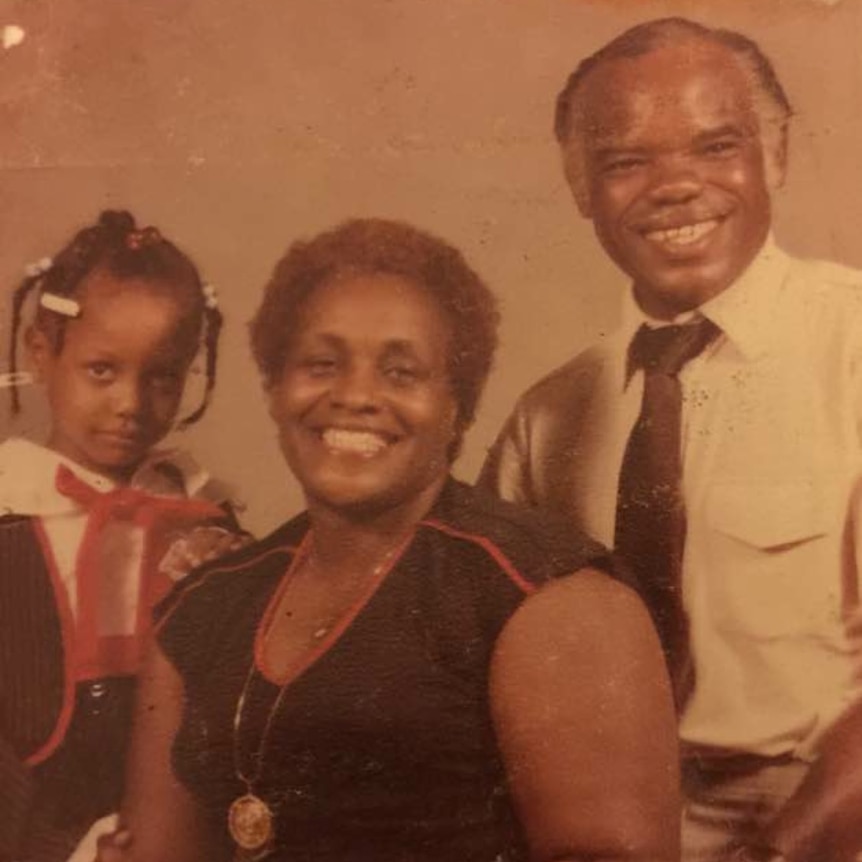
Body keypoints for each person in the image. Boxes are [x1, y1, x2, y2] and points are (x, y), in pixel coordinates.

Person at [104, 218, 679, 862]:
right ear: (274, 387)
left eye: (401, 372)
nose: (355, 395)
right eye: (321, 364)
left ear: (456, 406)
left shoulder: (550, 599)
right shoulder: (202, 610)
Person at [480, 16, 862, 862]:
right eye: (626, 162)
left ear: (778, 155)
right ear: (580, 186)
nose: (675, 186)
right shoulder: (546, 420)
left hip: (821, 816)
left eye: (714, 147)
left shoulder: (854, 350)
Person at [0, 210, 245, 861]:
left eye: (162, 376)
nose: (132, 403)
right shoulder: (7, 519)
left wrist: (231, 579)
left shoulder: (200, 513)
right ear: (41, 351)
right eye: (102, 371)